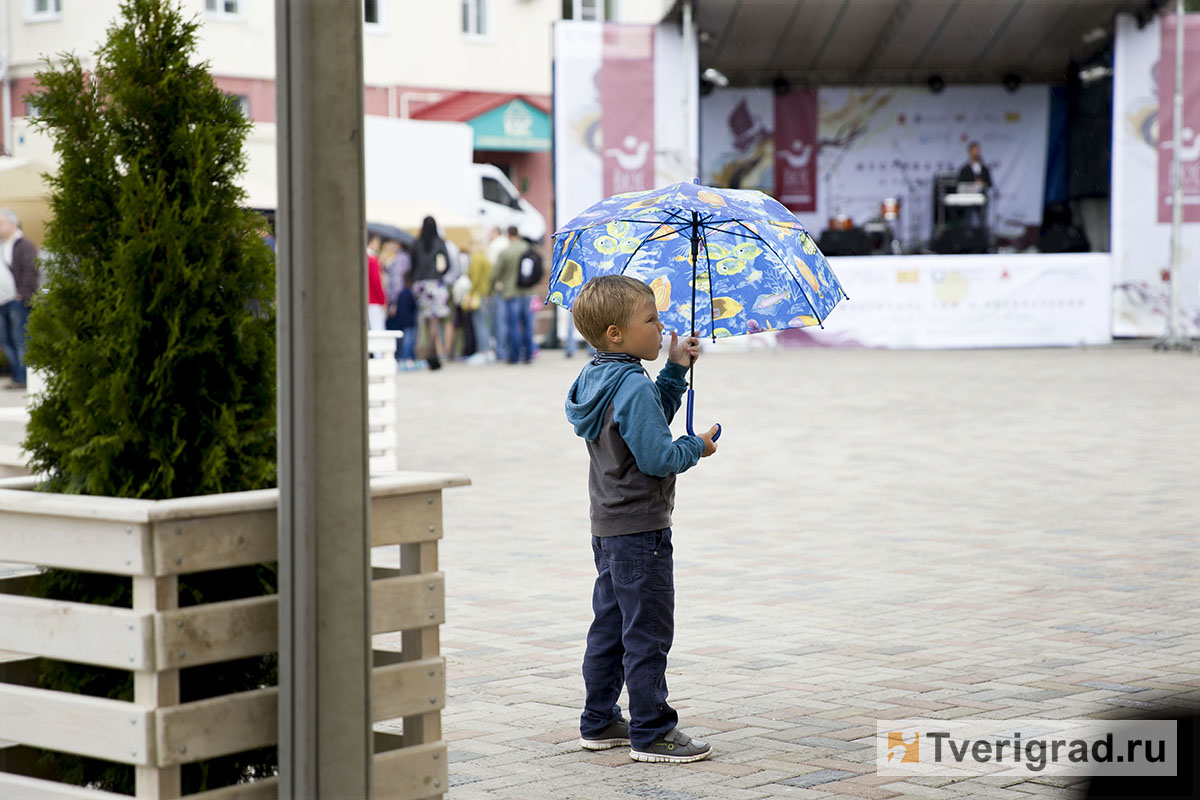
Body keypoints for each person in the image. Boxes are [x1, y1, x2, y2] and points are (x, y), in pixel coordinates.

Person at [564, 275, 720, 764]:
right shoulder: (630, 382)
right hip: (641, 531)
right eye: (650, 321)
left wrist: (674, 372)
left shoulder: (598, 376)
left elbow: (647, 419)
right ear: (616, 333)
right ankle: (652, 730)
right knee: (647, 631)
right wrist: (697, 446)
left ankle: (600, 719)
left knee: (610, 626)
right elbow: (656, 455)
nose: (661, 328)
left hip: (608, 527)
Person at [0, 209, 38, 391]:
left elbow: (31, 271)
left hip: (17, 302)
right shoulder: (2, 246)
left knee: (21, 339)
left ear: (13, 224)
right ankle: (17, 376)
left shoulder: (24, 245)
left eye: (1, 222)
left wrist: (22, 294)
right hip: (2, 302)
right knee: (5, 340)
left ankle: (25, 377)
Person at [409, 216, 452, 370]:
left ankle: (431, 355)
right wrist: (440, 274)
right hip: (435, 283)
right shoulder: (439, 243)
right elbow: (447, 264)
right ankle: (431, 354)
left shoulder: (416, 243)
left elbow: (412, 265)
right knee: (435, 321)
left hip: (420, 284)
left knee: (427, 320)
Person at [492, 226, 537, 364]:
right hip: (528, 292)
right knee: (527, 323)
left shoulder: (505, 252)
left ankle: (515, 355)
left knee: (513, 324)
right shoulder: (529, 249)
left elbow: (496, 273)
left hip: (511, 292)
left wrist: (491, 289)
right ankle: (529, 354)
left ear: (508, 235)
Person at [485, 226, 510, 362]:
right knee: (508, 320)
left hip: (499, 288)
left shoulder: (494, 246)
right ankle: (507, 349)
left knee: (499, 321)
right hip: (511, 288)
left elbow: (493, 270)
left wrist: (489, 289)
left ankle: (501, 350)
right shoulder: (507, 243)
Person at [956, 141, 992, 231]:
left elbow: (990, 183)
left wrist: (983, 183)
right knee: (967, 221)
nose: (977, 152)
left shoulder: (984, 168)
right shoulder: (964, 169)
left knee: (982, 222)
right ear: (970, 152)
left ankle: (982, 242)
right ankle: (967, 242)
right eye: (975, 150)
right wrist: (972, 185)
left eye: (978, 150)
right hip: (968, 199)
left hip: (982, 198)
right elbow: (960, 185)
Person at [366, 233, 387, 332]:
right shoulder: (372, 260)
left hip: (366, 299)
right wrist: (382, 300)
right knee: (377, 329)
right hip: (374, 300)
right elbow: (376, 281)